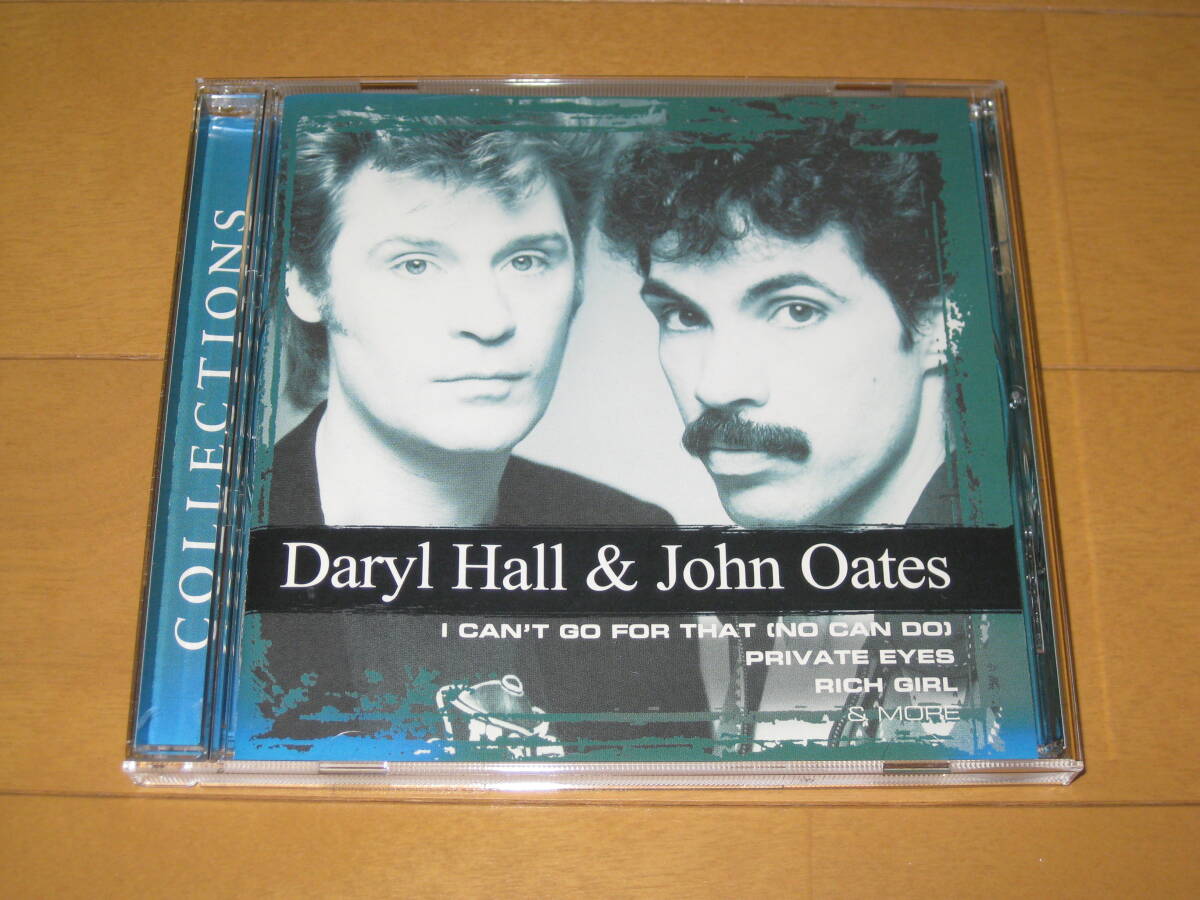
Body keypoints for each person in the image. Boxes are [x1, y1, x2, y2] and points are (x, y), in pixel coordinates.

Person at [250, 118, 706, 756]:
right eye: (415, 264)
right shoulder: (215, 550)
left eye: (526, 261)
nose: (489, 320)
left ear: (578, 282)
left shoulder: (631, 541)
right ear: (306, 282)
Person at [601, 117, 973, 752]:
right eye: (684, 315)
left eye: (796, 311)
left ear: (940, 325)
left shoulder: (1017, 624)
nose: (717, 385)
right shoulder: (739, 594)